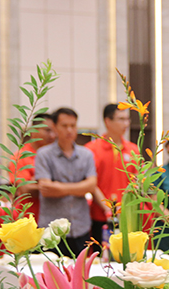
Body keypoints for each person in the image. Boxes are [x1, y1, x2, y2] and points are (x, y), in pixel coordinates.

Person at [35, 107, 97, 255]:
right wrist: (80, 188)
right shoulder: (43, 155)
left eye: (73, 125)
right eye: (64, 126)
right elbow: (45, 188)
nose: (69, 130)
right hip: (51, 231)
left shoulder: (86, 155)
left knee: (81, 275)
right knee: (50, 275)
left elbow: (92, 185)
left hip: (80, 227)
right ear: (55, 128)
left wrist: (59, 187)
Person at [86, 104, 139, 246]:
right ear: (107, 121)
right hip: (100, 216)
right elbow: (91, 182)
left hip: (127, 216)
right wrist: (106, 207)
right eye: (121, 119)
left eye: (127, 119)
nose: (126, 124)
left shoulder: (133, 150)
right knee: (101, 259)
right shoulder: (92, 149)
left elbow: (137, 180)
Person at [8, 113, 55, 224]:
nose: (52, 135)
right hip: (29, 219)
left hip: (54, 218)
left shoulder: (56, 156)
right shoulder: (20, 156)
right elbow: (25, 190)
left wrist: (37, 181)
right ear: (33, 130)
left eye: (54, 131)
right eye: (47, 130)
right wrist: (56, 184)